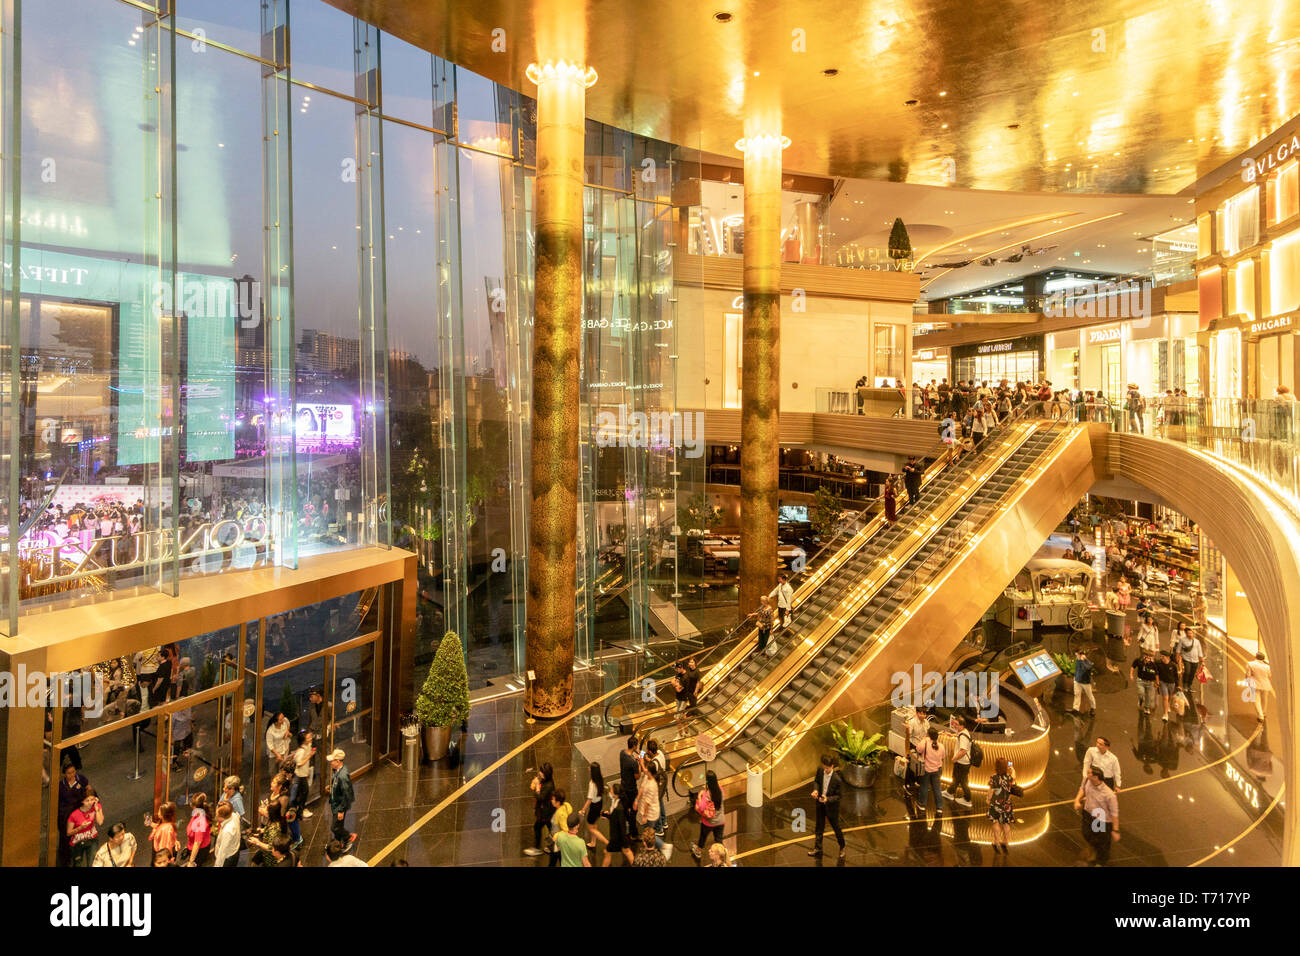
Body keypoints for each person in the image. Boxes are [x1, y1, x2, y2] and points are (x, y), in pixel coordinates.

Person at [1074, 767, 1120, 865]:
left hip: (1100, 818)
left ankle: (1101, 862)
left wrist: (1115, 830)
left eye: (1089, 773)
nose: (1087, 773)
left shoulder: (1109, 794)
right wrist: (1077, 800)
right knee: (1086, 833)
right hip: (1087, 813)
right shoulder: (1087, 780)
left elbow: (1114, 813)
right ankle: (1093, 848)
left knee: (1102, 843)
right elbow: (1082, 789)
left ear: (1095, 777)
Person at [807, 753, 847, 860]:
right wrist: (815, 790)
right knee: (819, 827)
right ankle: (817, 848)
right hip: (820, 803)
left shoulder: (837, 779)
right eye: (824, 767)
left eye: (828, 768)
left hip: (831, 807)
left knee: (836, 828)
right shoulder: (820, 770)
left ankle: (842, 846)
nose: (826, 769)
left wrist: (827, 799)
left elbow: (839, 796)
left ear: (832, 766)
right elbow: (816, 782)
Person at [986, 757, 1024, 854]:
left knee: (996, 822)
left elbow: (991, 790)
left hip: (996, 804)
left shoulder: (994, 778)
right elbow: (1014, 776)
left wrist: (988, 799)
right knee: (1006, 824)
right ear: (1005, 767)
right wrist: (1012, 768)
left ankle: (996, 842)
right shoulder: (1009, 778)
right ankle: (1006, 842)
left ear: (996, 766)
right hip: (1007, 804)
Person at [56, 762, 90, 868]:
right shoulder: (61, 785)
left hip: (78, 813)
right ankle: (65, 859)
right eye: (69, 773)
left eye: (73, 772)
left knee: (78, 835)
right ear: (64, 774)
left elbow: (88, 789)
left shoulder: (81, 779)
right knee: (65, 837)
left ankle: (77, 855)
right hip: (65, 815)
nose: (72, 775)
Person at [692, 769, 726, 860]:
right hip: (720, 821)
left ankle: (698, 851)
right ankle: (722, 857)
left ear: (708, 782)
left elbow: (701, 808)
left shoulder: (707, 794)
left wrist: (700, 796)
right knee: (719, 840)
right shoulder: (721, 790)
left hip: (708, 823)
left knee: (703, 838)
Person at [327, 748, 357, 848]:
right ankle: (337, 842)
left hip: (340, 805)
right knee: (338, 825)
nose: (330, 763)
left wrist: (341, 810)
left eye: (332, 761)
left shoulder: (343, 776)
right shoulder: (337, 770)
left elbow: (346, 794)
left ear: (338, 761)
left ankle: (348, 838)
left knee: (335, 827)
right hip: (336, 803)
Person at [66, 787, 104, 867]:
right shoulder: (74, 814)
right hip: (77, 842)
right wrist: (80, 828)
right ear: (82, 801)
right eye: (87, 800)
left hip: (92, 838)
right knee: (78, 865)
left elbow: (100, 822)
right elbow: (68, 833)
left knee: (93, 864)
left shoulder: (97, 806)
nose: (90, 802)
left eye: (92, 799)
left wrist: (96, 808)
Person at [915, 726, 945, 822]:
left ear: (929, 735)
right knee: (937, 789)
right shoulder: (941, 746)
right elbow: (943, 757)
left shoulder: (925, 743)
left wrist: (924, 739)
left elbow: (918, 749)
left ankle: (922, 805)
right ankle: (939, 808)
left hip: (927, 769)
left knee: (924, 786)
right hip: (937, 770)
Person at [602, 783, 635, 867]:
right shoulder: (617, 801)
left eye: (611, 790)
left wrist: (624, 840)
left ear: (616, 794)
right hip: (619, 836)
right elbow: (615, 817)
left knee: (610, 853)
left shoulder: (619, 808)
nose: (610, 791)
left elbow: (621, 825)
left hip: (617, 836)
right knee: (627, 851)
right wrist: (608, 815)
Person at [944, 715, 973, 807]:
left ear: (962, 726)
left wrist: (954, 758)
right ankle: (950, 792)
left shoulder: (963, 736)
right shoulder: (963, 732)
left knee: (962, 781)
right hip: (964, 762)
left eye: (957, 724)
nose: (955, 726)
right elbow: (960, 736)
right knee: (957, 779)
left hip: (962, 762)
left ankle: (967, 799)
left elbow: (963, 751)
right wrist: (951, 735)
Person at [580, 762, 606, 850]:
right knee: (594, 824)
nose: (588, 768)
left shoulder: (592, 784)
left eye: (590, 768)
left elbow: (589, 799)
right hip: (599, 803)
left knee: (590, 827)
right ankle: (593, 842)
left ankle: (606, 842)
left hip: (594, 806)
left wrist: (582, 810)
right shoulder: (600, 778)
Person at [290, 730, 315, 820]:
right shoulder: (301, 751)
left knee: (303, 792)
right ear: (303, 740)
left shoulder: (308, 745)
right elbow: (299, 763)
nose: (310, 738)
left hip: (303, 774)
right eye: (308, 737)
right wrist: (309, 756)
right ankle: (301, 810)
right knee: (303, 792)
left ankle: (300, 809)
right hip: (299, 775)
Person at [1244, 652, 1272, 721]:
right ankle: (1264, 712)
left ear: (1255, 657)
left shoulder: (1250, 664)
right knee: (1264, 700)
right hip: (1266, 684)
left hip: (1255, 684)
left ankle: (1260, 715)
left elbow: (1248, 675)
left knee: (1257, 700)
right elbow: (1269, 675)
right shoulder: (1267, 666)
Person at [185, 792, 212, 866]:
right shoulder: (199, 813)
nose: (190, 803)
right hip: (194, 847)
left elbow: (197, 843)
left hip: (199, 851)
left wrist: (191, 862)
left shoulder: (200, 822)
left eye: (191, 802)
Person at [1174, 623, 1202, 692]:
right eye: (1189, 633)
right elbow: (1178, 649)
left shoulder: (1197, 641)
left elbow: (1200, 651)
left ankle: (1189, 686)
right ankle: (1184, 685)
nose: (1190, 635)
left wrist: (1202, 660)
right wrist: (1177, 657)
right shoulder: (1182, 640)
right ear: (1186, 634)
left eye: (1191, 633)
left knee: (1192, 673)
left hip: (1195, 660)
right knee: (1187, 672)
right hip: (1186, 659)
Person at [1131, 649, 1160, 715]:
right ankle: (1141, 700)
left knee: (1148, 696)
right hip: (1141, 681)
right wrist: (1131, 674)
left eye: (1150, 657)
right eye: (1147, 656)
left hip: (1150, 682)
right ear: (1144, 656)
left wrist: (1157, 682)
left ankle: (1146, 708)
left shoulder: (1153, 665)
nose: (1148, 658)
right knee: (1141, 692)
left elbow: (1156, 674)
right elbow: (1133, 666)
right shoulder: (1139, 661)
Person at [1155, 650, 1181, 722]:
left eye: (1163, 657)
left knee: (1170, 696)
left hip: (1171, 683)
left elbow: (1176, 676)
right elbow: (1156, 672)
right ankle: (1165, 714)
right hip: (1163, 683)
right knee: (1165, 698)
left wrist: (1178, 685)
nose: (1161, 658)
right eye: (1160, 656)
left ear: (1167, 657)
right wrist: (1156, 682)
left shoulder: (1173, 666)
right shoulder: (1158, 663)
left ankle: (1168, 705)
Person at [213, 802, 241, 868]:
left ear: (223, 817)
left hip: (227, 858)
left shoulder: (228, 830)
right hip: (234, 850)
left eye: (217, 815)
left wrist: (217, 865)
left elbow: (223, 852)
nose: (216, 816)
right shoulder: (234, 815)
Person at [265, 711, 291, 779]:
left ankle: (281, 786)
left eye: (283, 717)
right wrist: (277, 755)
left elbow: (288, 723)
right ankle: (274, 786)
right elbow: (270, 745)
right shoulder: (270, 731)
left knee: (282, 771)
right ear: (276, 721)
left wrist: (287, 731)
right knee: (272, 772)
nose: (283, 719)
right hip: (274, 753)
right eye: (281, 719)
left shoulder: (284, 723)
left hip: (282, 750)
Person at [1070, 648, 1096, 716]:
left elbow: (1087, 668)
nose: (1076, 656)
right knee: (1077, 695)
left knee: (1090, 696)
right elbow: (1077, 669)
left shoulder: (1086, 662)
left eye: (1077, 655)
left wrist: (1083, 660)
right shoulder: (1078, 660)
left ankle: (1093, 708)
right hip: (1077, 681)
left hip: (1085, 682)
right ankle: (1075, 709)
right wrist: (1075, 677)